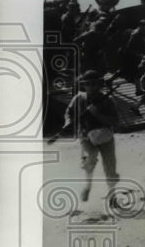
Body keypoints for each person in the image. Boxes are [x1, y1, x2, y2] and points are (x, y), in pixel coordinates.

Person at [50, 70, 120, 203]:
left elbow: (115, 122)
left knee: (110, 166)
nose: (92, 87)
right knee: (89, 160)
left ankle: (112, 195)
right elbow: (69, 113)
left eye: (95, 84)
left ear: (100, 85)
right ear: (84, 85)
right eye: (88, 84)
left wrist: (97, 114)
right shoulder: (79, 98)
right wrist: (68, 123)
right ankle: (87, 186)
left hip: (105, 136)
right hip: (86, 136)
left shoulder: (108, 100)